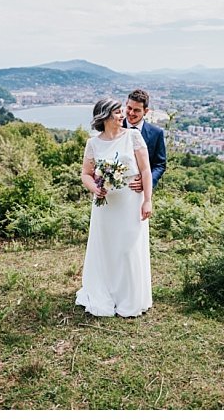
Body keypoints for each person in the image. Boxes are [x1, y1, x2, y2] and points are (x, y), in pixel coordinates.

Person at [76, 98, 154, 317]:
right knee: (108, 249)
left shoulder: (133, 137)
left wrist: (148, 199)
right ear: (105, 116)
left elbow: (146, 170)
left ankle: (129, 298)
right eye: (118, 112)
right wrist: (95, 188)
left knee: (128, 248)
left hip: (131, 202)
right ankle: (106, 293)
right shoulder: (93, 143)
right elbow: (85, 174)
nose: (123, 116)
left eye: (122, 112)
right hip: (105, 205)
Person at [123, 89, 167, 193]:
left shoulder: (156, 133)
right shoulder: (114, 128)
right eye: (129, 108)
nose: (131, 113)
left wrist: (147, 182)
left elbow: (160, 164)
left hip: (140, 191)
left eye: (137, 110)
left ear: (145, 111)